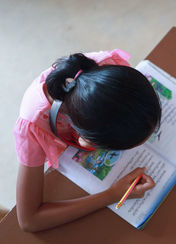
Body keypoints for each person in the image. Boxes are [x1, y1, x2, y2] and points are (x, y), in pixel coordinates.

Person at [13, 49, 162, 232]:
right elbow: (30, 220)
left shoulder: (111, 69)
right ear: (85, 142)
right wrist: (112, 195)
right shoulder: (32, 127)